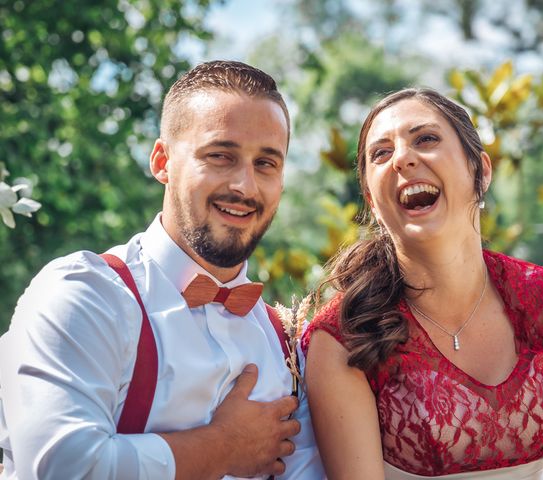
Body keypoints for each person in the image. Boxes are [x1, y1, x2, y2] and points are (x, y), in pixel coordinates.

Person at [0, 61, 324, 480]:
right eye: (220, 155)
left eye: (266, 163)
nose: (245, 186)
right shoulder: (85, 293)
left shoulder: (284, 343)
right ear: (162, 161)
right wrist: (223, 446)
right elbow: (61, 466)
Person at [302, 88, 543, 479]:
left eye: (426, 139)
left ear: (480, 171)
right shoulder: (344, 335)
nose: (403, 158)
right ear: (371, 200)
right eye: (381, 153)